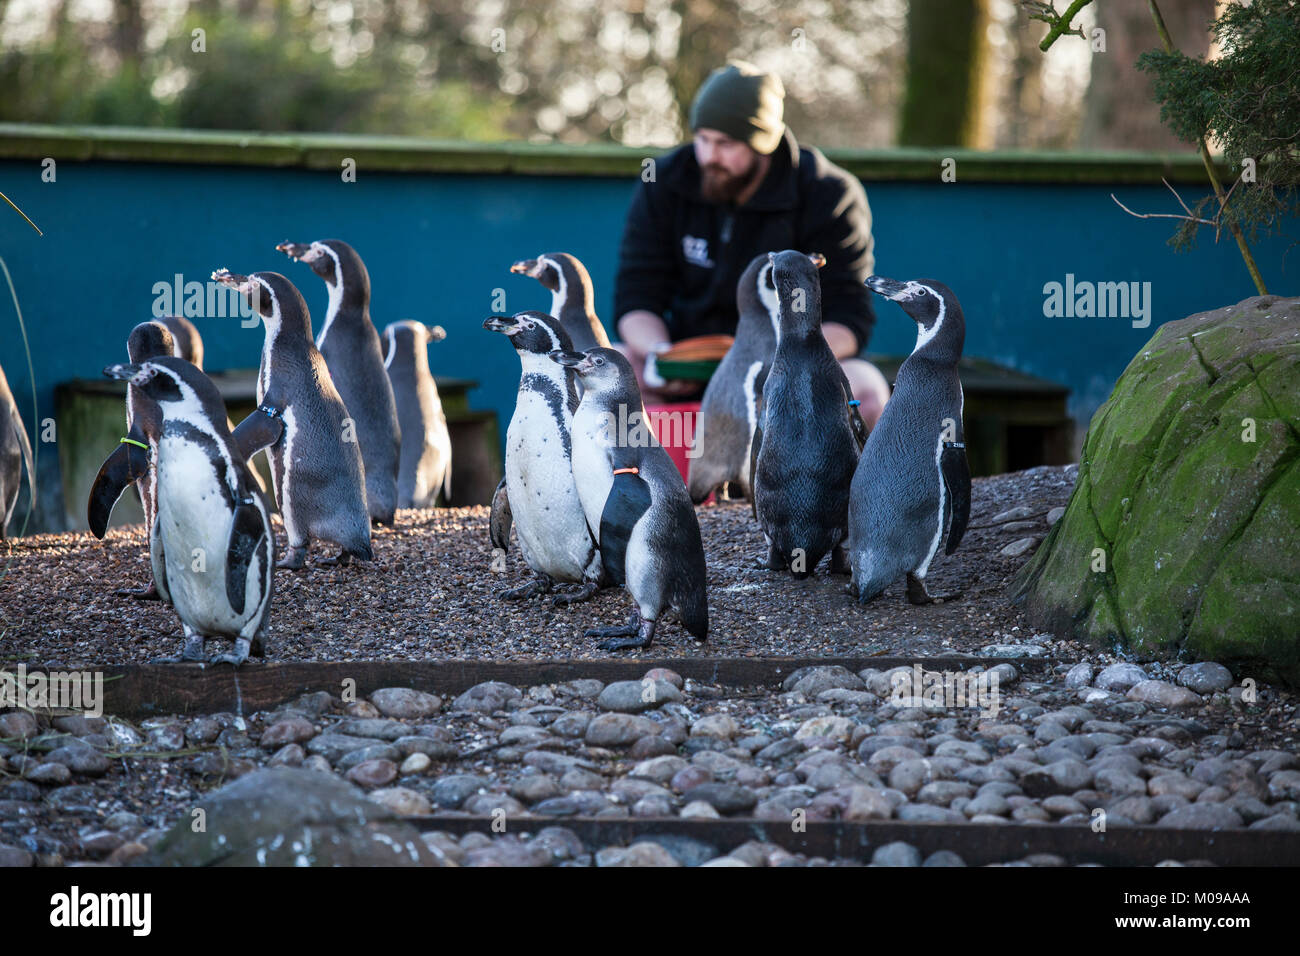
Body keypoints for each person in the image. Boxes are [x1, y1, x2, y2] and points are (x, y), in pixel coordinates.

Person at [613, 61, 891, 428]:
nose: (709, 156)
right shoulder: (664, 180)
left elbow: (849, 318)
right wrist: (660, 358)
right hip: (687, 367)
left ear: (763, 144)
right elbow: (636, 297)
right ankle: (656, 467)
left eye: (725, 144)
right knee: (606, 370)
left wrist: (784, 363)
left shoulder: (829, 193)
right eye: (702, 139)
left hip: (788, 371)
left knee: (866, 392)